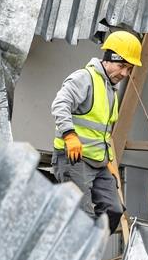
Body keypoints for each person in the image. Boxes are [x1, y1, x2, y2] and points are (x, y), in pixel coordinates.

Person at [51, 30, 142, 233]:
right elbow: (60, 104)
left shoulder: (111, 89)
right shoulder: (85, 78)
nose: (125, 74)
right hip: (74, 159)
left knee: (114, 210)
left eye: (129, 69)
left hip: (99, 163)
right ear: (109, 59)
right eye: (122, 66)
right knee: (82, 217)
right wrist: (69, 135)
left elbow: (102, 133)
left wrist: (109, 162)